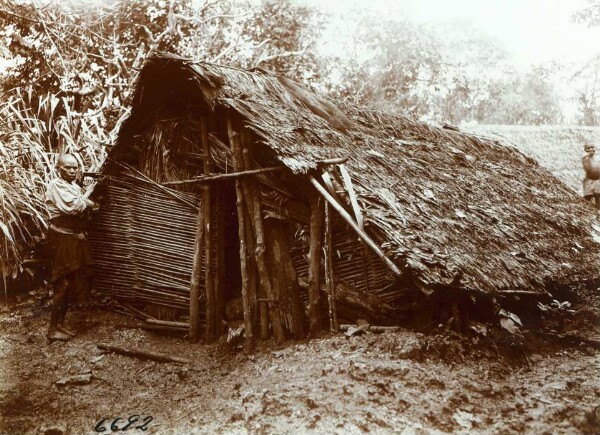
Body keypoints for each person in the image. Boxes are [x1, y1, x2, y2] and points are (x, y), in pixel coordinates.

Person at [45, 154, 97, 341]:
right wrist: (88, 195)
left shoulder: (74, 186)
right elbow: (74, 207)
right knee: (62, 283)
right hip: (61, 239)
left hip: (72, 238)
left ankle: (60, 324)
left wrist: (88, 202)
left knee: (70, 283)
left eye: (75, 167)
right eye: (68, 168)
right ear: (58, 168)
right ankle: (53, 329)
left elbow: (85, 207)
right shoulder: (56, 185)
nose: (73, 171)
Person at [582, 143, 600, 212]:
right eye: (588, 148)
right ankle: (588, 212)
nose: (591, 149)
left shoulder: (597, 157)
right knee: (588, 196)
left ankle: (598, 211)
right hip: (589, 180)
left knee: (598, 196)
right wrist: (589, 154)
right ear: (585, 150)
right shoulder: (585, 158)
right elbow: (587, 168)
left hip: (598, 180)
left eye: (592, 148)